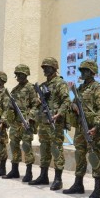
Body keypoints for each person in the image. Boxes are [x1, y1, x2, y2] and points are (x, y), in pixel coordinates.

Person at [63, 60, 100, 198]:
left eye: (85, 70)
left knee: (94, 157)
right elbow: (74, 103)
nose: (82, 73)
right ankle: (78, 184)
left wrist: (96, 127)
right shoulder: (80, 88)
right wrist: (73, 105)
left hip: (93, 128)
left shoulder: (97, 88)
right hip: (81, 128)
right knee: (79, 156)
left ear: (92, 72)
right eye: (81, 70)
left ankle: (98, 188)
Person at [29, 57, 71, 190]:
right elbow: (36, 104)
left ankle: (58, 179)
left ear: (54, 68)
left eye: (47, 67)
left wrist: (59, 113)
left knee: (56, 149)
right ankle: (43, 176)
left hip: (55, 123)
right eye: (43, 68)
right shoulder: (43, 86)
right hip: (43, 122)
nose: (45, 70)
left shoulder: (60, 83)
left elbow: (66, 101)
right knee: (44, 149)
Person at [0, 65, 38, 180]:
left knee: (26, 146)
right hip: (15, 123)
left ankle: (29, 172)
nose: (18, 77)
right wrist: (4, 121)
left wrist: (30, 117)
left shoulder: (31, 88)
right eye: (17, 74)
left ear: (26, 74)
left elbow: (36, 104)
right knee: (14, 145)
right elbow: (9, 107)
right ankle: (14, 170)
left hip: (25, 123)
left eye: (21, 74)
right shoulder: (15, 90)